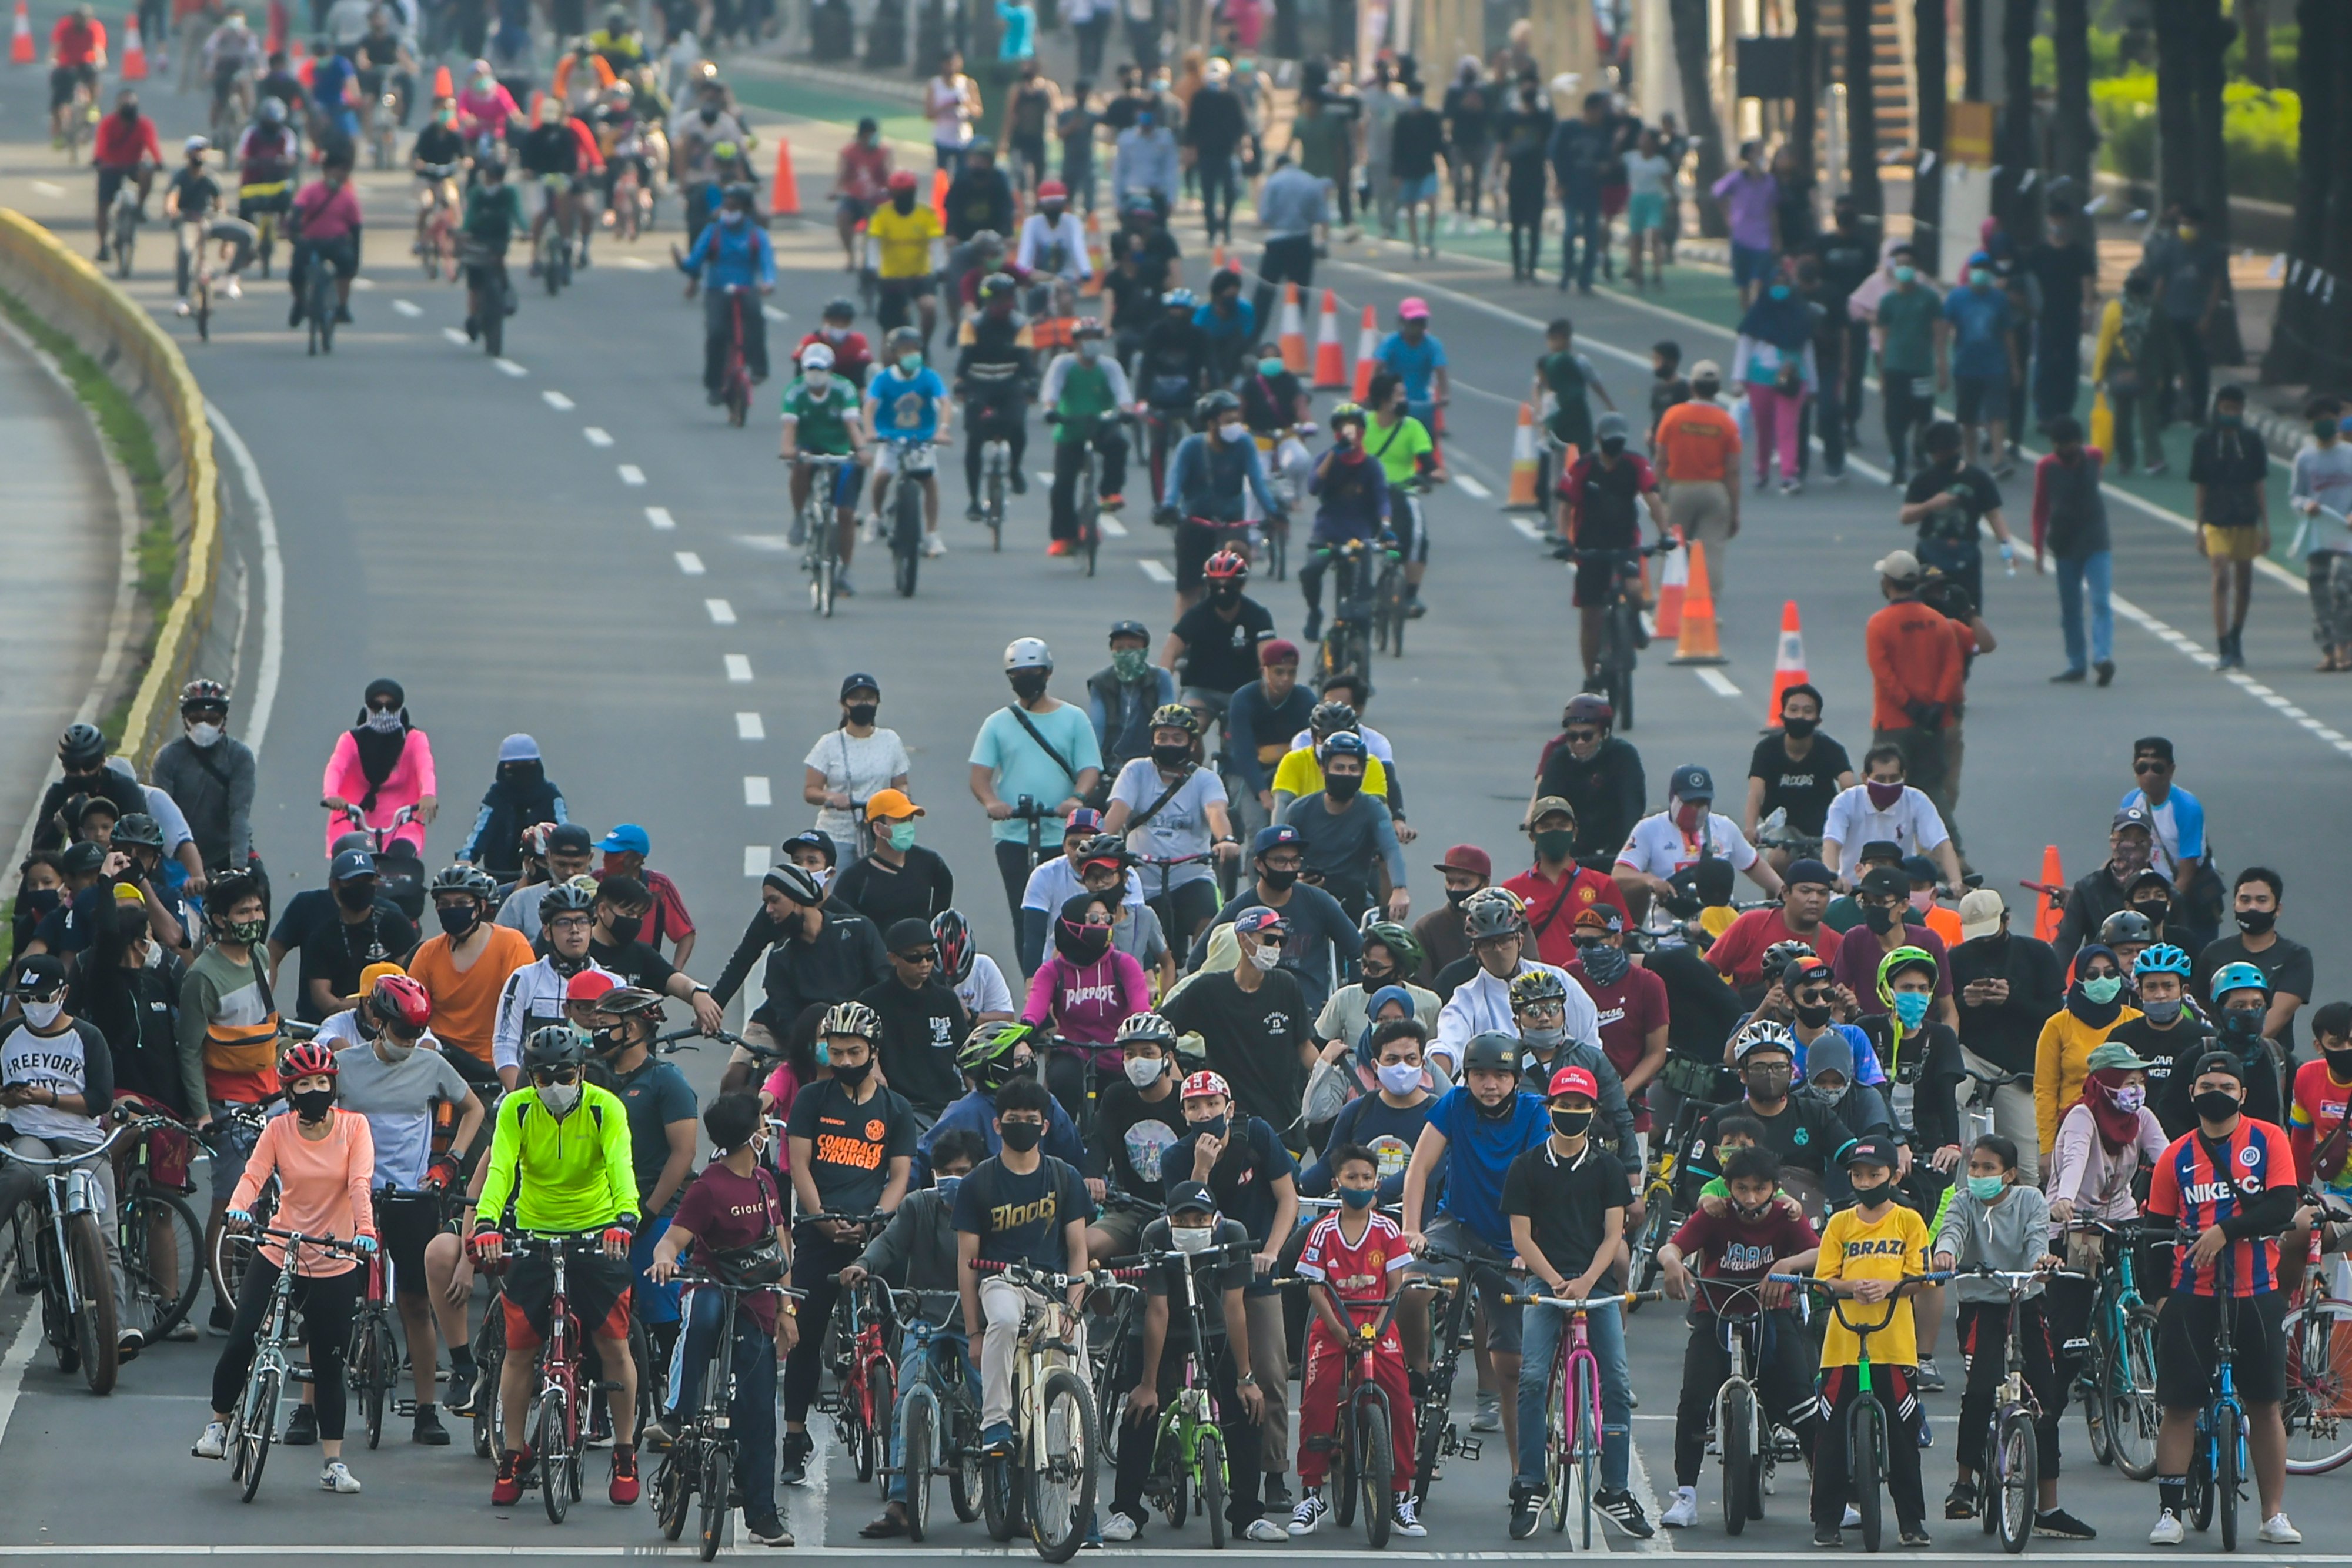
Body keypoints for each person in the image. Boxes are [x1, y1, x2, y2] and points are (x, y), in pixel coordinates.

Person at [470, 1025, 644, 1504]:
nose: (554, 1085)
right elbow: (502, 1168)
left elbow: (620, 1166)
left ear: (582, 1071)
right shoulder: (516, 1108)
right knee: (520, 1349)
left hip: (599, 1230)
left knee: (614, 1344)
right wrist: (487, 1221)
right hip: (534, 1232)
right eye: (543, 1077)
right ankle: (511, 1453)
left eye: (564, 1075)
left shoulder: (606, 1107)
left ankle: (625, 1450)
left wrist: (626, 1216)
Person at [192, 1041, 374, 1495]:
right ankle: (218, 1424)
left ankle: (333, 1462)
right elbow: (253, 1175)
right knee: (242, 1338)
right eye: (304, 1084)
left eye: (322, 1082)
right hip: (279, 1248)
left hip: (334, 1257)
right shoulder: (278, 1130)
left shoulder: (355, 1128)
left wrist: (365, 1229)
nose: (315, 1089)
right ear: (290, 1093)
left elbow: (359, 1182)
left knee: (330, 1365)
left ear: (333, 1084)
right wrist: (237, 1207)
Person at [2142, 1050, 2303, 1546]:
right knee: (2180, 1404)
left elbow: (2282, 1205)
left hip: (2257, 1288)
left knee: (2265, 1403)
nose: (2216, 1093)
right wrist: (2160, 1298)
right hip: (2192, 1292)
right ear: (2191, 1093)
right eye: (2207, 1084)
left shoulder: (2268, 1138)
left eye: (2226, 1086)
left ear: (2243, 1095)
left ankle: (2273, 1513)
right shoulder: (2175, 1155)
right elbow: (2157, 1230)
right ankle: (2170, 1511)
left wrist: (2224, 1231)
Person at [328, 974, 484, 1445]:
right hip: (351, 1196)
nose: (410, 1043)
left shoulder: (431, 1065)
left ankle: (424, 1411)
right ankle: (310, 1410)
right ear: (379, 1021)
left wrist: (450, 1162)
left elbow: (474, 1108)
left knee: (417, 1302)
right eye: (402, 1032)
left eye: (417, 1034)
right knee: (330, 1304)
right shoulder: (344, 1066)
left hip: (412, 1196)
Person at [645, 1092, 796, 1547]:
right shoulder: (708, 1187)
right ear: (751, 1136)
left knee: (759, 1410)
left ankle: (763, 1516)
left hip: (759, 1301)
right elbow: (670, 1242)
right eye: (763, 1123)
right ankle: (677, 1415)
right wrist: (666, 1260)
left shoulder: (767, 1183)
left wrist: (788, 1310)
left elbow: (780, 1248)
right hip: (714, 1285)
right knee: (702, 1313)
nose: (768, 1129)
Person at [777, 1001, 915, 1484]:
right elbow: (800, 1166)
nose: (845, 1060)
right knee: (806, 1334)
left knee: (896, 1330)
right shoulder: (812, 1100)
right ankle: (794, 1438)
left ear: (873, 1051)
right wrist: (819, 1220)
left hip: (876, 1233)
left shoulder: (896, 1109)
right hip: (820, 1231)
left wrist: (880, 1218)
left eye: (855, 1051)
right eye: (836, 1051)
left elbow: (900, 1174)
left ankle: (900, 1433)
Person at [1398, 1031, 1548, 1469]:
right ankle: (1418, 1377)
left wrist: (1530, 1245)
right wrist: (1412, 1228)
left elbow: (1543, 1182)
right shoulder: (1455, 1105)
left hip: (1514, 1239)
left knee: (1512, 1368)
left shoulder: (1535, 1112)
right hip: (1458, 1227)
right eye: (1480, 1075)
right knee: (1412, 1288)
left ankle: (1525, 1476)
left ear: (1516, 1079)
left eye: (1501, 1075)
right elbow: (1419, 1168)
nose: (1490, 1085)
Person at [1654, 1144, 1822, 1529]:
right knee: (1695, 1397)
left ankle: (1829, 1494)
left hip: (1770, 1311)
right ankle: (1687, 1494)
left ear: (1774, 1188)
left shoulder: (1785, 1214)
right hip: (1715, 1309)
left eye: (1759, 1189)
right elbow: (1672, 1246)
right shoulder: (1715, 1212)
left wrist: (1786, 1264)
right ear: (1727, 1186)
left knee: (1800, 1398)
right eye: (1741, 1188)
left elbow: (1819, 1252)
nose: (1750, 1198)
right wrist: (1672, 1264)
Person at [1931, 1135, 2092, 1535]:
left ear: (2010, 1173)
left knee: (2047, 1397)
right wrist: (1945, 1252)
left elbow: (2038, 1237)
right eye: (1975, 1167)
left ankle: (2049, 1508)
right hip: (1981, 1305)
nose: (1980, 1175)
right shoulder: (1963, 1201)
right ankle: (1965, 1483)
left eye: (1989, 1168)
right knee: (1980, 1388)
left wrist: (2043, 1260)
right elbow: (1951, 1231)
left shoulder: (2030, 1200)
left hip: (2026, 1300)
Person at [1801, 1134, 1936, 1547]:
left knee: (1903, 1434)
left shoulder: (1909, 1220)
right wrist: (1849, 1287)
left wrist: (1888, 1285)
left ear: (1893, 1175)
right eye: (1858, 1175)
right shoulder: (1840, 1223)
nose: (1865, 1181)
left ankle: (1911, 1521)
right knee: (1830, 1433)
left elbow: (1922, 1277)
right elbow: (1825, 1280)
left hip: (1893, 1345)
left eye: (1874, 1174)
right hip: (1843, 1344)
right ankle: (1827, 1519)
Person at [2, 954, 136, 1359]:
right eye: (25, 997)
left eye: (41, 996)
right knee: (20, 1171)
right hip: (31, 1136)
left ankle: (117, 1326)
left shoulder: (87, 1037)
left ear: (63, 994)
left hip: (82, 1139)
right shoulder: (8, 1036)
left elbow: (99, 1097)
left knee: (107, 1232)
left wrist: (49, 1097)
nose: (33, 1005)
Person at [953, 1071, 1093, 1453]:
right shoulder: (977, 1183)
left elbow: (1078, 1249)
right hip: (1001, 1281)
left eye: (1032, 1119)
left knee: (1078, 1371)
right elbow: (967, 1261)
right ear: (998, 1124)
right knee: (1004, 1318)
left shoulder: (1066, 1177)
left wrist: (1074, 1310)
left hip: (1054, 1286)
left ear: (1045, 1125)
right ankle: (995, 1421)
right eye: (1014, 1118)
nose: (1023, 1126)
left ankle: (1082, 1485)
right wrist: (973, 1332)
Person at [1286, 1146, 1421, 1538]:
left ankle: (1399, 1496)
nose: (1359, 1184)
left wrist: (1378, 1327)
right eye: (1351, 1178)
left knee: (1400, 1398)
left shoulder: (1387, 1229)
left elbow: (1395, 1286)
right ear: (1336, 1183)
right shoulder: (1323, 1230)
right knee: (1318, 1396)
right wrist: (1337, 1327)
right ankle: (1312, 1491)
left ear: (1377, 1183)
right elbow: (1315, 1288)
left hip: (1378, 1324)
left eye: (1366, 1177)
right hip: (1334, 1323)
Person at [969, 637, 1105, 926]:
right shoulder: (998, 723)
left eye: (1032, 673)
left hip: (1066, 835)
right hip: (1014, 834)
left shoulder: (1074, 719)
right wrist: (992, 802)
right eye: (1017, 675)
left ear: (1048, 673)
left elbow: (1090, 769)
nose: (1025, 680)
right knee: (1024, 913)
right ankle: (1031, 972)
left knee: (1071, 909)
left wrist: (1076, 799)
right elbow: (980, 776)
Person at [1162, 907, 1315, 1134]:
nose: (1275, 948)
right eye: (1269, 939)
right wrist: (1180, 1086)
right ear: (1243, 939)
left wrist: (1329, 1076)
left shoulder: (1286, 985)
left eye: (1281, 942)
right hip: (1230, 1124)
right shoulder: (1209, 990)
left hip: (1285, 1122)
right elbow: (1158, 1033)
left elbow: (1305, 1046)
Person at [1101, 703, 1237, 944]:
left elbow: (1216, 811)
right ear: (1152, 741)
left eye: (1177, 738)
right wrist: (1100, 841)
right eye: (1162, 737)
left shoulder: (1205, 779)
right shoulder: (1136, 771)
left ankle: (1202, 976)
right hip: (1141, 879)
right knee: (1123, 933)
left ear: (1192, 744)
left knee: (1211, 926)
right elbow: (1119, 810)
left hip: (1192, 877)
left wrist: (1225, 840)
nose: (1169, 744)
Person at [1190, 825, 1359, 1015]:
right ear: (1259, 864)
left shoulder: (1319, 901)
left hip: (1310, 1013)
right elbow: (1197, 962)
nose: (1289, 868)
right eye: (1280, 861)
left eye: (1295, 861)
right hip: (1252, 1013)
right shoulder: (1238, 909)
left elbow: (1357, 950)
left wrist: (1344, 1002)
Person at [1159, 393, 1283, 619]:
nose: (1235, 426)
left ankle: (1231, 602)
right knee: (1189, 589)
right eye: (1228, 421)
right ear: (1211, 423)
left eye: (1237, 420)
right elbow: (1174, 480)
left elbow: (1257, 481)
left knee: (1239, 551)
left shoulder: (1245, 444)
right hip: (1197, 520)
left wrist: (1274, 512)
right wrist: (1168, 506)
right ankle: (1182, 640)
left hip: (1232, 521)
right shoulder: (1191, 447)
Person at [269, 847, 418, 1025]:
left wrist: (356, 1004)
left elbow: (412, 983)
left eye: (368, 879)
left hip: (389, 1027)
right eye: (353, 881)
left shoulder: (395, 922)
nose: (361, 886)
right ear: (335, 886)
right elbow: (324, 1001)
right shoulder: (322, 936)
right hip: (333, 1027)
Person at [779, 342, 873, 591]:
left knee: (845, 515)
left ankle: (846, 570)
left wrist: (862, 450)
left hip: (841, 451)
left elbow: (853, 425)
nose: (815, 374)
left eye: (820, 369)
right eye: (811, 369)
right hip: (809, 448)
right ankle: (799, 516)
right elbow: (789, 430)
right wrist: (790, 450)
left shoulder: (844, 389)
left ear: (830, 369)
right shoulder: (795, 392)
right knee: (800, 467)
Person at [2190, 383, 2271, 671]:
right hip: (2216, 518)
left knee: (2245, 581)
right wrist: (2199, 527)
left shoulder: (2252, 442)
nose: (2231, 414)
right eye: (2226, 409)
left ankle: (2237, 633)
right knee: (2221, 572)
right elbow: (2200, 486)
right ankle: (2223, 642)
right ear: (2218, 409)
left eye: (2236, 409)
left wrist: (2266, 526)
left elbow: (2258, 484)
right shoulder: (2204, 442)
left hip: (2246, 516)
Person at [2193, 867, 2313, 1055]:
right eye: (2245, 900)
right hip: (2216, 1060)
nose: (2252, 907)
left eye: (2262, 900)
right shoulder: (2213, 952)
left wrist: (2237, 1051)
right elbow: (2198, 1006)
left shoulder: (2296, 957)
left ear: (2278, 909)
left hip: (2271, 1060)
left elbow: (2279, 1015)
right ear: (2235, 905)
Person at [1502, 797, 1632, 969]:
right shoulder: (1511, 891)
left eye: (1563, 825)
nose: (1555, 831)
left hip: (1588, 984)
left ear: (1574, 833)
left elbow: (1622, 938)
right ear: (1533, 837)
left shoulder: (1602, 885)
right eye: (1546, 826)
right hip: (1535, 985)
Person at [675, 181, 774, 403]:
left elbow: (767, 263)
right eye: (726, 206)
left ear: (746, 210)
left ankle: (759, 368)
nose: (728, 211)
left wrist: (768, 282)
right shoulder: (713, 232)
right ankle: (714, 385)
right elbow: (695, 262)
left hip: (746, 287)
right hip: (717, 289)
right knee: (716, 333)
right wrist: (683, 263)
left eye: (734, 207)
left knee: (755, 319)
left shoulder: (757, 235)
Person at [801, 673, 911, 865]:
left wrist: (900, 801)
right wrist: (832, 798)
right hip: (837, 834)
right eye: (856, 698)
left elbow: (901, 784)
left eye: (869, 698)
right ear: (844, 704)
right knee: (836, 889)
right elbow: (811, 791)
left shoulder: (891, 740)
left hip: (879, 835)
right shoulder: (829, 744)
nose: (864, 704)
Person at [1044, 321, 1134, 554]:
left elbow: (1122, 391)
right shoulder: (1063, 364)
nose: (1091, 342)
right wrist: (1051, 409)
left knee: (1119, 443)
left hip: (1101, 424)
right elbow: (1051, 390)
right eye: (1085, 337)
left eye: (1095, 337)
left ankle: (1110, 492)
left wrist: (1126, 410)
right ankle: (1065, 537)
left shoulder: (1109, 366)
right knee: (1062, 485)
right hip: (1071, 427)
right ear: (1075, 342)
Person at [1820, 744, 1959, 890]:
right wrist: (1833, 877)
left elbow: (1942, 844)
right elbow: (1832, 844)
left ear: (1904, 776)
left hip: (1900, 891)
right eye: (1881, 779)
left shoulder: (1916, 800)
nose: (1888, 785)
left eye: (1894, 778)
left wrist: (1956, 881)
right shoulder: (1846, 801)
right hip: (1852, 889)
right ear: (1865, 778)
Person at [1940, 252, 2018, 475]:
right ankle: (1971, 461)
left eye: (1985, 269)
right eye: (1977, 268)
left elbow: (2008, 333)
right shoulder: (1957, 298)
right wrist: (1942, 361)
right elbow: (1944, 330)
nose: (1981, 273)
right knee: (1967, 419)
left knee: (1997, 415)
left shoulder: (1999, 299)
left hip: (1995, 366)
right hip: (1966, 366)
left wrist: (2014, 366)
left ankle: (1998, 460)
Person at [833, 789, 954, 934]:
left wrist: (936, 929)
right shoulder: (855, 878)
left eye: (910, 820)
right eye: (900, 820)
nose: (908, 826)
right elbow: (839, 923)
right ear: (878, 828)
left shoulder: (929, 862)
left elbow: (945, 884)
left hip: (922, 954)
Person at [1086, 621, 1175, 780]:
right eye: (1119, 649)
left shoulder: (1160, 678)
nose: (1126, 653)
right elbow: (1096, 730)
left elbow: (1168, 721)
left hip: (1152, 764)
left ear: (1145, 651)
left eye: (1133, 648)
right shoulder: (1100, 682)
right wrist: (1092, 767)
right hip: (1112, 766)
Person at [867, 170, 944, 354]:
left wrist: (940, 267)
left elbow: (937, 242)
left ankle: (923, 345)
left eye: (907, 192)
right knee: (892, 325)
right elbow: (874, 242)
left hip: (919, 274)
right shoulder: (882, 214)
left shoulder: (925, 214)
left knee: (929, 307)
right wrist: (872, 267)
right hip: (891, 277)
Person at [1494, 75, 1552, 281]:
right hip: (1516, 175)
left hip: (1537, 175)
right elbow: (1502, 146)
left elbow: (1550, 147)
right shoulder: (1510, 118)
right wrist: (1496, 171)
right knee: (1517, 223)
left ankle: (1532, 267)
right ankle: (1518, 267)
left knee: (1535, 224)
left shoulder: (1544, 117)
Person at [1709, 139, 1778, 305]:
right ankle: (1747, 318)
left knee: (1761, 280)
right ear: (1748, 155)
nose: (1761, 155)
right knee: (1743, 283)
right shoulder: (1737, 178)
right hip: (1741, 236)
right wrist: (1727, 215)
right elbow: (1717, 193)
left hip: (1763, 237)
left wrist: (1776, 237)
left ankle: (1758, 313)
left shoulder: (1769, 181)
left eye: (1763, 151)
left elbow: (1773, 209)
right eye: (1757, 151)